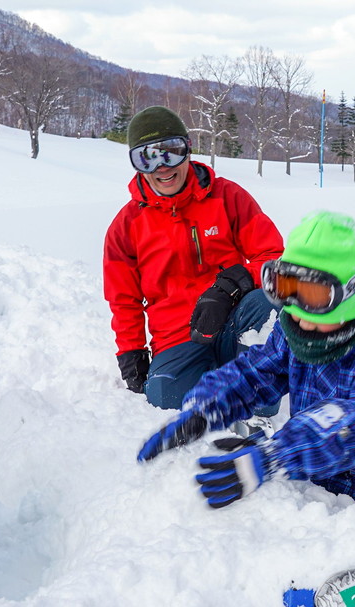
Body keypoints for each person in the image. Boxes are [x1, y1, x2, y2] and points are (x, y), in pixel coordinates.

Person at [137, 211, 355, 535]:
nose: (300, 313)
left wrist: (272, 456)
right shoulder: (305, 323)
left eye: (316, 296)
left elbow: (353, 421)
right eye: (287, 287)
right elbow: (257, 372)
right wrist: (206, 408)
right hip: (330, 477)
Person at [104, 106, 284, 410]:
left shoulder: (227, 197)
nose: (162, 166)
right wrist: (130, 353)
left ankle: (257, 412)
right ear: (136, 164)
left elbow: (274, 260)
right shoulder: (126, 227)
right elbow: (124, 300)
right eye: (147, 157)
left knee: (268, 304)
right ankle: (212, 377)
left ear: (188, 149)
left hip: (235, 320)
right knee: (165, 398)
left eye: (171, 152)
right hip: (177, 337)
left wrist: (232, 285)